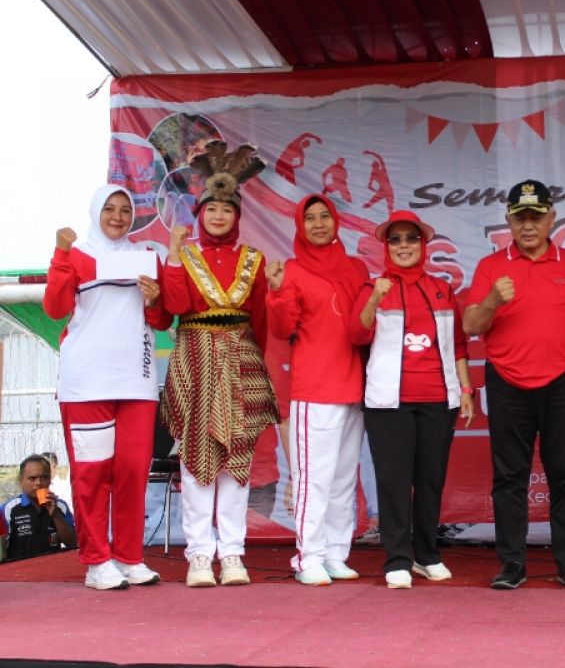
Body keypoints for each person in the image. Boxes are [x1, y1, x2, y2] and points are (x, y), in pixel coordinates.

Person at [463, 180, 565, 590]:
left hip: (563, 380)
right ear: (508, 221)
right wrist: (493, 300)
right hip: (507, 382)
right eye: (520, 217)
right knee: (510, 478)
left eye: (536, 217)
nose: (528, 225)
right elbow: (471, 325)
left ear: (552, 219)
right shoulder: (491, 266)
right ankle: (512, 564)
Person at [42, 184, 171, 589]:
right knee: (92, 474)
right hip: (87, 383)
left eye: (125, 210)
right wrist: (60, 254)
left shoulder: (146, 257)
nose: (117, 216)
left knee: (133, 472)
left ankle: (130, 557)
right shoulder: (77, 254)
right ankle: (97, 561)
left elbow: (162, 320)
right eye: (110, 209)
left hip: (137, 382)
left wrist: (155, 300)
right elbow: (55, 308)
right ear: (96, 212)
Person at [161, 150, 279, 588]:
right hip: (195, 359)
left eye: (226, 209)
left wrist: (253, 366)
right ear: (199, 214)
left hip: (240, 360)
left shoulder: (254, 259)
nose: (218, 215)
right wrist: (174, 256)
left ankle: (231, 553)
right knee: (196, 456)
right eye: (210, 208)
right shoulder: (185, 256)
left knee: (237, 456)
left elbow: (260, 322)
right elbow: (176, 306)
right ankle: (198, 554)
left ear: (237, 216)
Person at [349, 210, 475, 589]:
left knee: (430, 481)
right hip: (388, 402)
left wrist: (465, 390)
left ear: (423, 245)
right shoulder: (373, 287)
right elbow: (356, 334)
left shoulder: (441, 288)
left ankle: (427, 554)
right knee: (394, 481)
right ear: (386, 247)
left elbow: (458, 345)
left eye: (411, 238)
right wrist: (375, 297)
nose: (404, 245)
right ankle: (398, 558)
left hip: (439, 399)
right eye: (396, 239)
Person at [265, 194, 370, 586]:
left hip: (353, 386)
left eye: (325, 216)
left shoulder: (355, 268)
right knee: (314, 478)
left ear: (335, 221)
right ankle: (308, 556)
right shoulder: (292, 270)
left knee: (343, 478)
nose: (319, 224)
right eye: (310, 218)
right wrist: (277, 290)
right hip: (315, 388)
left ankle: (336, 553)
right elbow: (281, 328)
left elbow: (364, 324)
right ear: (300, 225)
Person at [1, 455, 76, 561]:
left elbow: (73, 544)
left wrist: (56, 515)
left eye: (44, 477)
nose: (39, 483)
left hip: (53, 568)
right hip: (20, 569)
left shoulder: (60, 506)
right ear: (21, 481)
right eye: (32, 478)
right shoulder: (8, 509)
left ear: (50, 479)